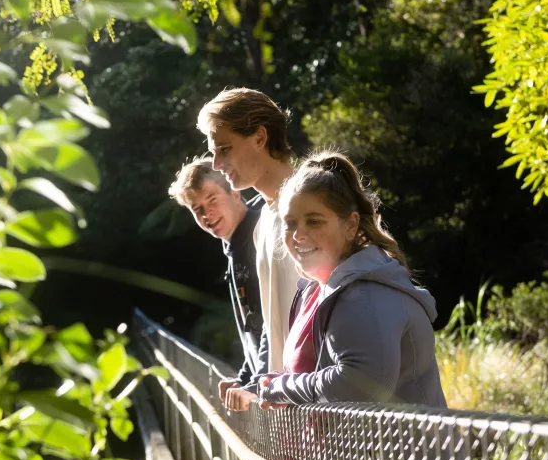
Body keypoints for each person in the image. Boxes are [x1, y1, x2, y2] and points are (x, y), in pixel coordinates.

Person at [256, 151, 447, 407]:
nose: (298, 235)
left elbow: (357, 387)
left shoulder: (367, 295)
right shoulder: (316, 291)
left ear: (350, 225)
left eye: (314, 221)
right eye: (290, 223)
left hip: (397, 447)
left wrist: (280, 387)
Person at [197, 88, 301, 411]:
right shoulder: (265, 220)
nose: (216, 163)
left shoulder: (312, 206)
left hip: (342, 414)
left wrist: (273, 387)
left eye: (224, 149)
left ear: (259, 137)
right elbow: (270, 324)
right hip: (292, 413)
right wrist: (258, 383)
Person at [168, 157, 268, 400]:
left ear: (234, 192)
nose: (207, 214)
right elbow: (253, 326)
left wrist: (257, 383)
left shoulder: (260, 237)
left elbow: (275, 322)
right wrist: (245, 376)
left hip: (289, 393)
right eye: (197, 209)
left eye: (212, 199)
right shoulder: (235, 247)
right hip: (269, 386)